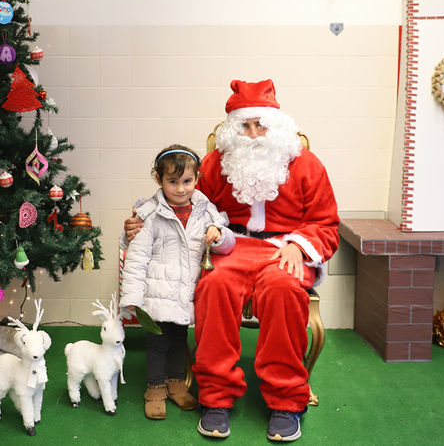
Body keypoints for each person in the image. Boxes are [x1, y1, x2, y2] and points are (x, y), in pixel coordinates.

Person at [124, 79, 339, 442]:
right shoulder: (216, 163)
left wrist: (299, 247)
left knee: (284, 290)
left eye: (260, 124)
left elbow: (325, 220)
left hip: (284, 250)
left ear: (278, 125)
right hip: (230, 246)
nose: (253, 134)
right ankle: (216, 397)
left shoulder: (306, 164)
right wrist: (145, 220)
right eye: (244, 125)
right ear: (232, 129)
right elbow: (186, 202)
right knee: (215, 286)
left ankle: (286, 401)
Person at [120, 145, 235, 420]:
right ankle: (155, 390)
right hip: (157, 293)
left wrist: (217, 234)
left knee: (180, 340)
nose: (181, 189)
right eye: (173, 182)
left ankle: (176, 385)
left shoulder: (206, 211)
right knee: (158, 343)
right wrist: (132, 299)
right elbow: (136, 258)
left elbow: (228, 243)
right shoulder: (150, 214)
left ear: (197, 179)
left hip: (186, 293)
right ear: (159, 180)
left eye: (187, 181)